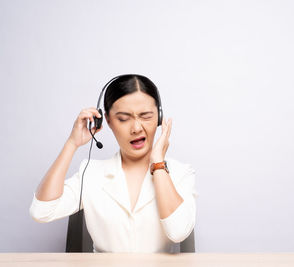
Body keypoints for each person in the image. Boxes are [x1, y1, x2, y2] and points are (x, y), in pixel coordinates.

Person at [29, 74, 199, 253]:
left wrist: (158, 164)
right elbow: (41, 212)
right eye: (124, 119)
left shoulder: (181, 173)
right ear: (107, 120)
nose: (136, 128)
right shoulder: (91, 173)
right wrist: (72, 144)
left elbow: (178, 232)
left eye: (146, 116)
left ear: (159, 117)